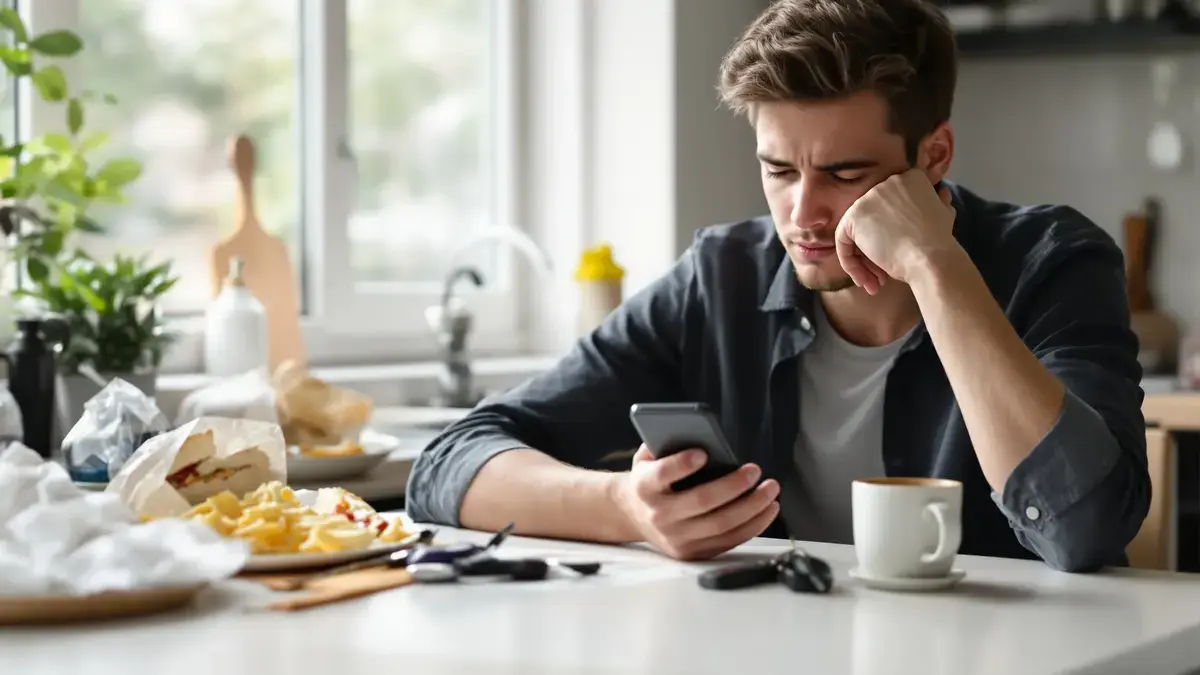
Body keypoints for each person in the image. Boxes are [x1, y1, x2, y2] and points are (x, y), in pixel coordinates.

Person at [406, 0, 1148, 573]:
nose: (803, 213)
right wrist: (626, 508)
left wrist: (934, 265)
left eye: (846, 174)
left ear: (934, 154)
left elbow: (1082, 530)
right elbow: (448, 463)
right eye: (779, 170)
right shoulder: (722, 276)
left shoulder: (1054, 261)